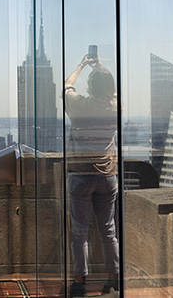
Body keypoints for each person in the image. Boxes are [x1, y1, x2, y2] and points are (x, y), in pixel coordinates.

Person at [64, 54, 119, 296]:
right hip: (108, 174)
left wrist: (83, 65)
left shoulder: (80, 105)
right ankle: (113, 277)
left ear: (90, 86)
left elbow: (67, 85)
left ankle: (79, 280)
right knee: (108, 229)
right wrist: (99, 67)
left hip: (81, 175)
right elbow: (111, 89)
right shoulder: (116, 106)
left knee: (80, 231)